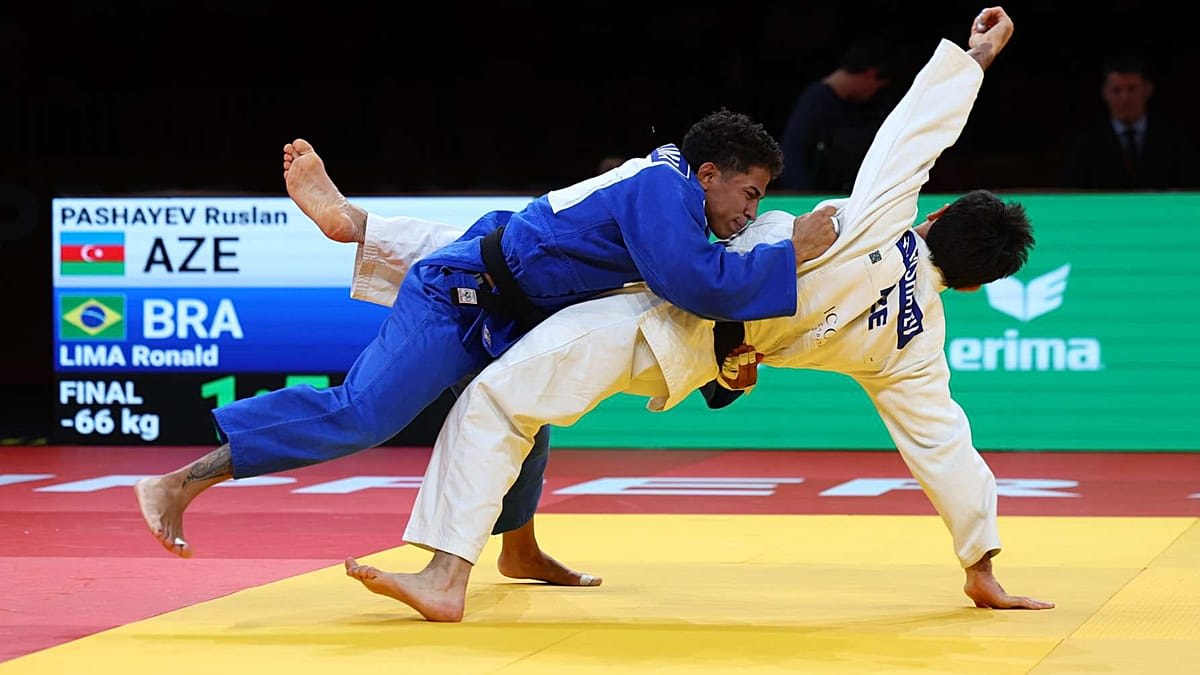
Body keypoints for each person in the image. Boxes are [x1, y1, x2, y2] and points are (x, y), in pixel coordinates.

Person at [338, 6, 1055, 622]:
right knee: (517, 269)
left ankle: (445, 577)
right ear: (968, 286)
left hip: (662, 316)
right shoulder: (916, 344)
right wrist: (980, 560)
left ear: (933, 220)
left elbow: (915, 134)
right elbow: (945, 447)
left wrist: (974, 58)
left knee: (497, 384)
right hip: (684, 352)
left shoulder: (879, 221)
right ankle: (367, 234)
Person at [133, 108, 839, 561]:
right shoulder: (667, 190)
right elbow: (697, 283)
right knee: (363, 413)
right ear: (708, 172)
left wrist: (730, 363)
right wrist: (793, 251)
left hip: (509, 287)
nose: (753, 212)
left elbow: (702, 293)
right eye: (750, 194)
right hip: (459, 297)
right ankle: (179, 481)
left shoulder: (676, 199)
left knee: (524, 413)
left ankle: (517, 547)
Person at [776, 33, 902, 192]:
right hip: (814, 198)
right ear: (870, 74)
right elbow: (792, 153)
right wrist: (802, 196)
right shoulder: (816, 100)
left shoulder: (865, 106)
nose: (874, 93)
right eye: (877, 86)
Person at [1059, 52, 1198, 189]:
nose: (1125, 97)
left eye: (1132, 89)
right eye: (1116, 90)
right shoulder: (1085, 144)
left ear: (1148, 90)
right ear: (1105, 93)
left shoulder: (1174, 141)